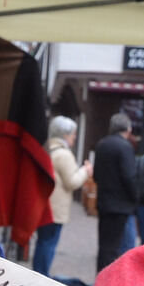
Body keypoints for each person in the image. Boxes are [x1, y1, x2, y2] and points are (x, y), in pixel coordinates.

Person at [32, 115, 92, 276]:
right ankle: (41, 276)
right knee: (48, 244)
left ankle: (37, 274)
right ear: (65, 134)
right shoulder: (64, 154)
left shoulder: (47, 148)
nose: (74, 137)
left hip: (43, 204)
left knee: (42, 241)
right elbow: (72, 182)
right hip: (55, 209)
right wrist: (85, 172)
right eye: (73, 134)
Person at [93, 112, 137, 272]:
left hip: (104, 202)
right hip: (121, 205)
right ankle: (109, 283)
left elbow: (96, 174)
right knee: (117, 247)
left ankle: (100, 277)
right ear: (128, 128)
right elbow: (129, 177)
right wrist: (135, 198)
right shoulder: (125, 147)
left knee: (104, 246)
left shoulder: (101, 144)